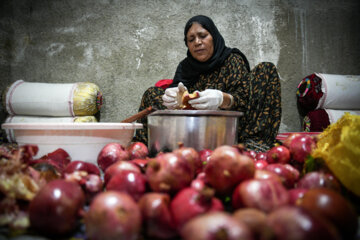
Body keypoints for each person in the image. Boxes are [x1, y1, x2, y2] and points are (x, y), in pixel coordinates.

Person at [132, 15, 281, 152]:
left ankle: (255, 147)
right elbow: (176, 100)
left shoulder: (232, 60)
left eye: (203, 36)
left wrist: (223, 99)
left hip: (230, 133)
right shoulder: (185, 67)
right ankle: (144, 148)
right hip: (190, 134)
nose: (197, 42)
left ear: (214, 37)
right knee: (152, 93)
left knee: (266, 69)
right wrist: (172, 99)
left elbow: (243, 101)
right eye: (191, 39)